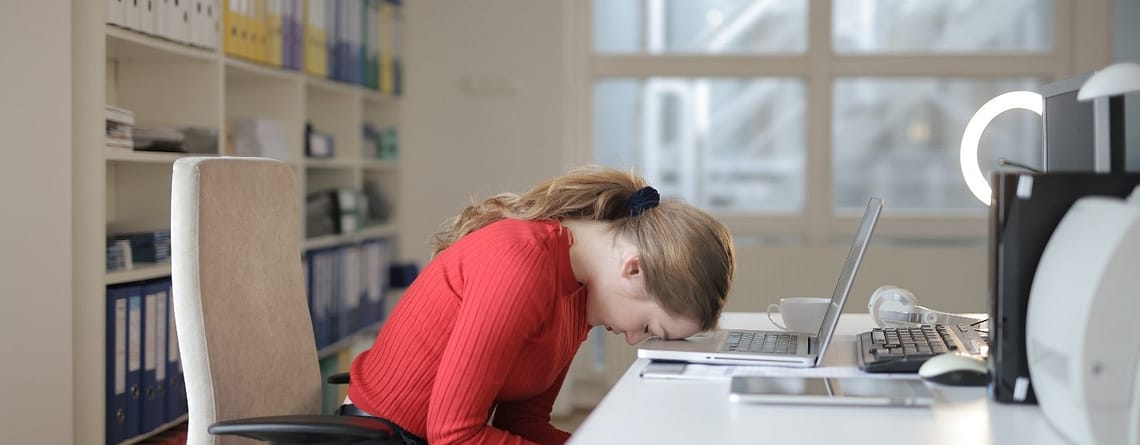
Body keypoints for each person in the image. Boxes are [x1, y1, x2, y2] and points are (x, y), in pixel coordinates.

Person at [343, 165, 736, 444]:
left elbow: (524, 423)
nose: (634, 339)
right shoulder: (521, 265)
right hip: (385, 437)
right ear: (634, 270)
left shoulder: (581, 293)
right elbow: (456, 435)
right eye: (650, 328)